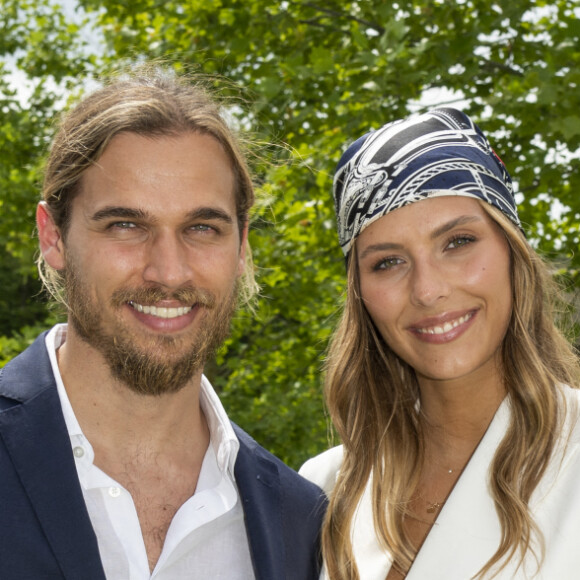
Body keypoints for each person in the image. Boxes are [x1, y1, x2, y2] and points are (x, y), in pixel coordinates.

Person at [0, 69, 326, 580]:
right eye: (126, 226)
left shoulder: (299, 521)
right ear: (53, 237)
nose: (169, 272)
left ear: (241, 246)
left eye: (201, 228)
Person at [300, 107, 580, 579]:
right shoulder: (325, 490)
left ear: (512, 250)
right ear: (361, 294)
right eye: (388, 262)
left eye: (458, 242)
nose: (428, 290)